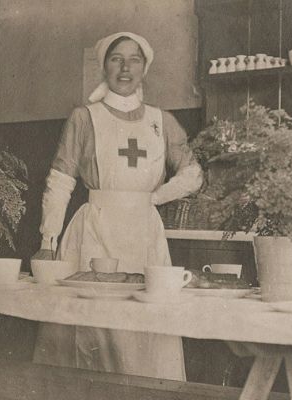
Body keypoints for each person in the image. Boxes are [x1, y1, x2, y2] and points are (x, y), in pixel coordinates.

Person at [31, 32, 203, 381]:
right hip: (95, 228)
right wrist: (49, 242)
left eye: (134, 59)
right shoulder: (84, 117)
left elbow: (194, 174)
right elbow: (60, 181)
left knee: (145, 330)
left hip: (144, 233)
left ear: (145, 68)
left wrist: (152, 199)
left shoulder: (162, 120)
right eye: (116, 59)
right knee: (93, 330)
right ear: (104, 66)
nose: (125, 68)